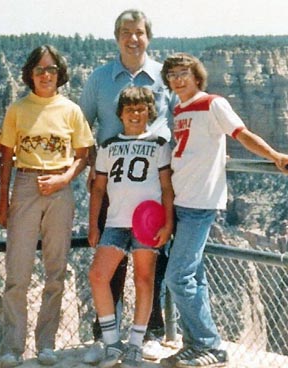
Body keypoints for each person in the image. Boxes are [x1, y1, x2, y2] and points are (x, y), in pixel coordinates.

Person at [159, 52, 288, 368]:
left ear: (196, 75)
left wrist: (274, 154)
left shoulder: (212, 103)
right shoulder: (179, 109)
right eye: (172, 74)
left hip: (201, 202)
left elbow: (240, 134)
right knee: (194, 276)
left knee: (177, 276)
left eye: (183, 73)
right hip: (180, 201)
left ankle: (210, 346)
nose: (177, 79)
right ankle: (194, 345)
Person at [79, 8, 177, 364]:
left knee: (151, 267)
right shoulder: (101, 78)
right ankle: (105, 337)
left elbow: (180, 120)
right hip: (112, 179)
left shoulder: (164, 78)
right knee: (109, 264)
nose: (132, 38)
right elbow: (81, 125)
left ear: (148, 36)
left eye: (139, 32)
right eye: (125, 32)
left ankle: (148, 334)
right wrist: (93, 165)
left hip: (155, 183)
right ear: (116, 36)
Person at [0, 45, 95, 367]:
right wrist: (4, 201)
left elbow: (84, 154)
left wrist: (64, 179)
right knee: (18, 272)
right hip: (25, 185)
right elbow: (6, 159)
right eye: (39, 69)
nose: (45, 75)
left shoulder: (70, 110)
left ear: (59, 73)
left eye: (51, 69)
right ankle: (13, 347)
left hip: (59, 188)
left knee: (56, 270)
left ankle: (46, 344)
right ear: (30, 74)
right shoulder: (18, 109)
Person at [88, 86, 174, 368]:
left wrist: (168, 222)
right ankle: (112, 342)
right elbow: (98, 189)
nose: (135, 115)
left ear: (149, 111)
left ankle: (136, 344)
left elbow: (166, 187)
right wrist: (93, 225)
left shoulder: (159, 144)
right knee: (99, 276)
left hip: (146, 224)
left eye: (141, 109)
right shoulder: (108, 145)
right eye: (130, 110)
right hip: (115, 221)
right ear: (120, 114)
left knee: (144, 280)